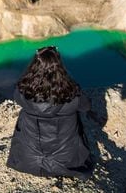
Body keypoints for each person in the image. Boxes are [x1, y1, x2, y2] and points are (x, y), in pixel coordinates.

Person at [6, 46, 94, 180]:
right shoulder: (72, 93)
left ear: (34, 66)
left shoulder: (22, 91)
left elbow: (18, 99)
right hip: (66, 161)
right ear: (59, 66)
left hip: (28, 160)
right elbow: (86, 106)